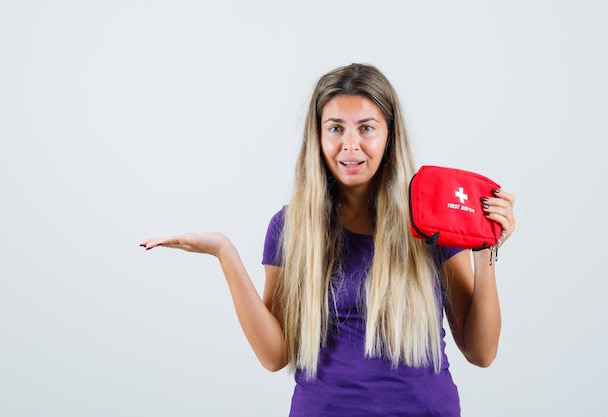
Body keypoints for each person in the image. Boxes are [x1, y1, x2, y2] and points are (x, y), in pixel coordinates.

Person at [140, 63, 516, 416]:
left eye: (366, 128)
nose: (350, 145)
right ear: (318, 136)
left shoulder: (431, 219)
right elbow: (275, 356)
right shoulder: (292, 226)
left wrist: (486, 248)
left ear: (390, 134)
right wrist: (225, 252)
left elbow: (481, 352)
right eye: (336, 128)